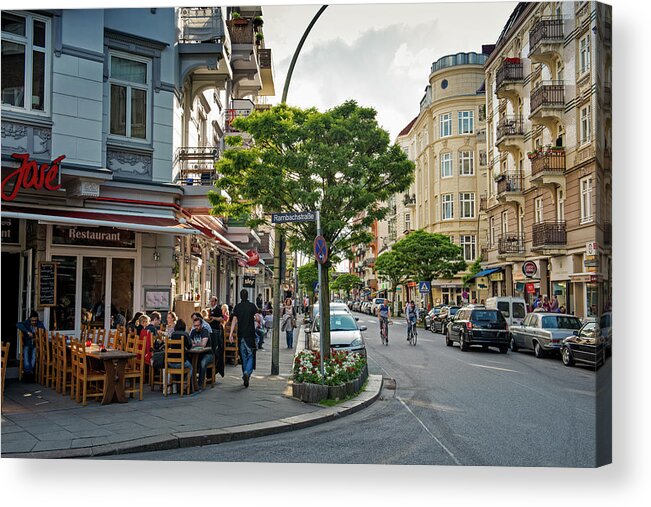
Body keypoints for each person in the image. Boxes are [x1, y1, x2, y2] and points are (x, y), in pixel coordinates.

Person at [229, 289, 258, 388]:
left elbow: (234, 320)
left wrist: (231, 333)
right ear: (248, 295)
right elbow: (258, 318)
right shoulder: (252, 306)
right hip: (250, 334)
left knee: (243, 356)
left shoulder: (237, 307)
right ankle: (247, 372)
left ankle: (245, 374)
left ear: (240, 296)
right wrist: (254, 318)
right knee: (251, 355)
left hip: (240, 334)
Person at [16, 310, 46, 380]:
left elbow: (44, 331)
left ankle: (29, 373)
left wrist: (38, 330)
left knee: (34, 356)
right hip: (27, 343)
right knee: (26, 355)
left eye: (35, 320)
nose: (34, 322)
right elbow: (18, 324)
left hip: (35, 344)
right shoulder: (26, 323)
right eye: (32, 320)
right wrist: (27, 332)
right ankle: (28, 373)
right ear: (30, 319)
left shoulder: (39, 324)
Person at [189, 317, 213, 392]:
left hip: (208, 354)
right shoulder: (193, 331)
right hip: (197, 354)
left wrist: (195, 344)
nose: (196, 327)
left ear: (201, 324)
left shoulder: (205, 331)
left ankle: (200, 384)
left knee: (202, 363)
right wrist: (196, 344)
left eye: (198, 325)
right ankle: (191, 384)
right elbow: (190, 343)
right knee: (190, 362)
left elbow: (203, 344)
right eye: (195, 325)